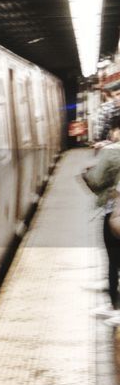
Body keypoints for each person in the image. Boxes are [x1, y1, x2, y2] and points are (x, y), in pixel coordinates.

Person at [83, 125, 120, 324]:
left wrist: (88, 173)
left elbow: (97, 182)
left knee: (113, 260)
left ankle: (115, 306)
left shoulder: (112, 152)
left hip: (113, 211)